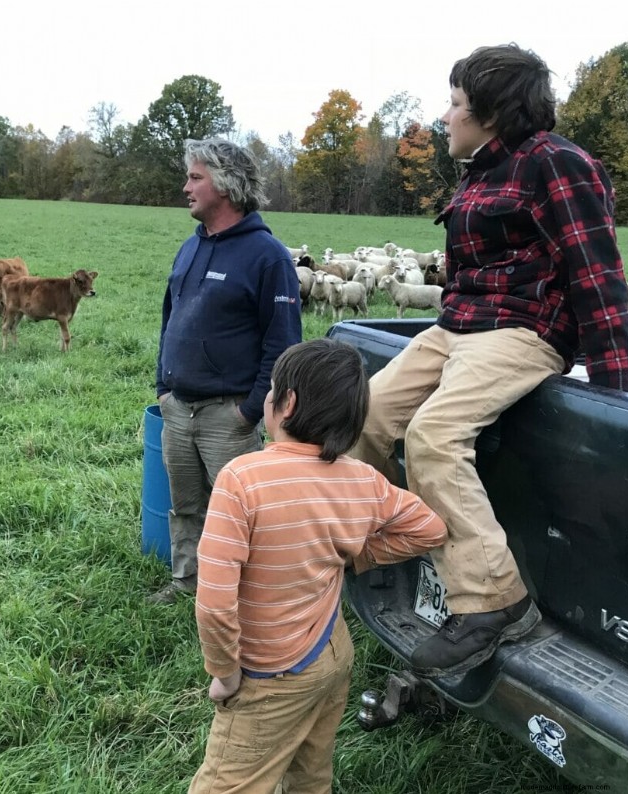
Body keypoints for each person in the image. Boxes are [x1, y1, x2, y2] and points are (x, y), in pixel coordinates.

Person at [352, 43, 628, 679]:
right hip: (457, 324)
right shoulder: (482, 170)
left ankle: (492, 601)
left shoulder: (557, 163)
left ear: (492, 112)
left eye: (455, 104)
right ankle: (373, 550)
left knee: (434, 436)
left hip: (524, 329)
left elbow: (598, 274)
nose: (445, 116)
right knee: (365, 413)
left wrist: (611, 399)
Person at [189, 338, 447, 794]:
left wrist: (226, 673)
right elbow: (429, 529)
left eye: (272, 389)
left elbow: (213, 604)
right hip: (331, 652)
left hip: (268, 672)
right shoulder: (363, 480)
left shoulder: (240, 480)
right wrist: (358, 556)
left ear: (285, 404)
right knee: (310, 775)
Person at [150, 138, 302, 604]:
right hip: (178, 409)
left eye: (196, 178)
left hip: (227, 414)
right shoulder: (189, 249)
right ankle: (187, 581)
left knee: (241, 512)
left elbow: (283, 344)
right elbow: (169, 319)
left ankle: (250, 596)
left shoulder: (267, 256)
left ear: (228, 185)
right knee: (186, 506)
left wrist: (249, 410)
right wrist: (163, 387)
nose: (185, 187)